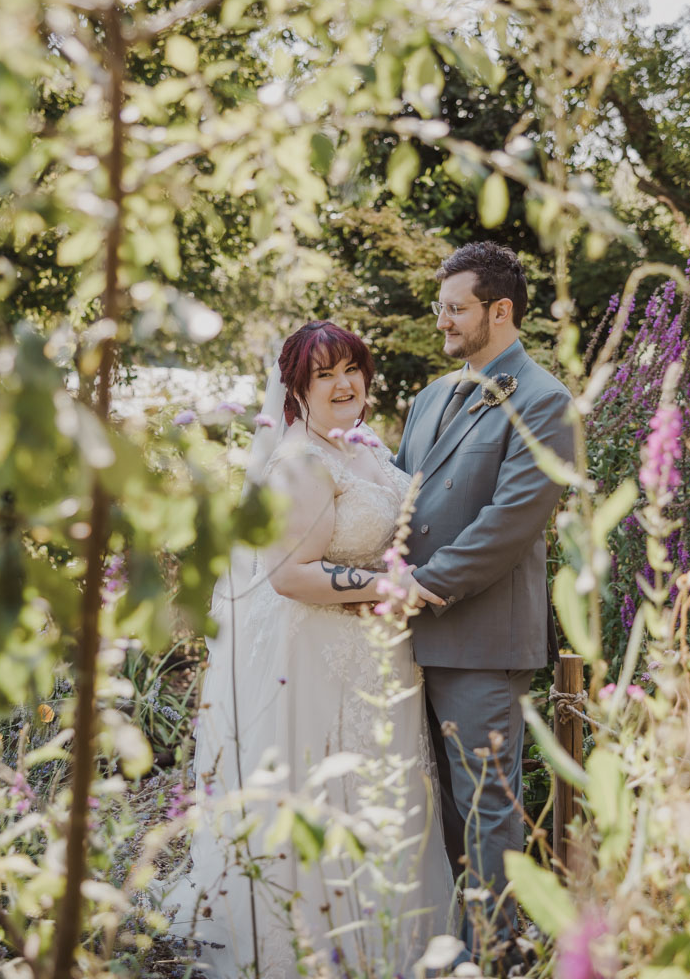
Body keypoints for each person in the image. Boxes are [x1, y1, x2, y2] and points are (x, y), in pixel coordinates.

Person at [172, 321, 456, 978]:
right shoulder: (301, 460)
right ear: (295, 388)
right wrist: (388, 585)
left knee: (386, 791)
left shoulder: (363, 446)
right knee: (332, 795)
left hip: (377, 653)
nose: (343, 383)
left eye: (351, 368)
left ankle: (394, 943)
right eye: (324, 375)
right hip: (320, 658)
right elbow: (290, 575)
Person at [394, 242, 575, 964]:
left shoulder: (546, 401)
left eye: (455, 308)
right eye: (441, 307)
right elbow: (396, 500)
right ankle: (448, 948)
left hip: (481, 644)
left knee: (485, 812)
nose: (442, 320)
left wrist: (421, 584)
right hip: (405, 639)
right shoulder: (431, 396)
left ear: (500, 312)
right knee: (430, 812)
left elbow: (509, 522)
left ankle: (497, 954)